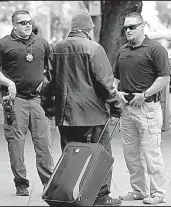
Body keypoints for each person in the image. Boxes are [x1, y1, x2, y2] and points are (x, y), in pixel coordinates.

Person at [43, 10, 123, 206]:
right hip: (92, 114)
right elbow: (105, 83)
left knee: (70, 155)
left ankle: (65, 195)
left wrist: (48, 106)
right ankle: (100, 197)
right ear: (89, 30)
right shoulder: (94, 48)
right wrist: (116, 106)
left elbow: (48, 83)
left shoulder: (58, 48)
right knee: (100, 154)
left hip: (65, 114)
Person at [0, 10, 54, 196]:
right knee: (16, 144)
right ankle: (21, 183)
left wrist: (48, 83)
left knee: (44, 144)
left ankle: (49, 184)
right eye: (23, 23)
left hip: (38, 100)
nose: (27, 25)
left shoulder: (41, 43)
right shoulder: (3, 44)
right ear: (14, 25)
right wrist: (9, 83)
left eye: (29, 22)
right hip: (15, 101)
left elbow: (53, 69)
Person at [113, 12, 171, 205]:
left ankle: (158, 193)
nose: (128, 31)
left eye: (132, 27)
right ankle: (138, 190)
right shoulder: (122, 51)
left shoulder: (155, 49)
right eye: (125, 28)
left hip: (147, 108)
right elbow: (116, 78)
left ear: (142, 26)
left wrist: (144, 95)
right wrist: (117, 93)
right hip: (127, 109)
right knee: (131, 154)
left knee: (151, 153)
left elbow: (164, 77)